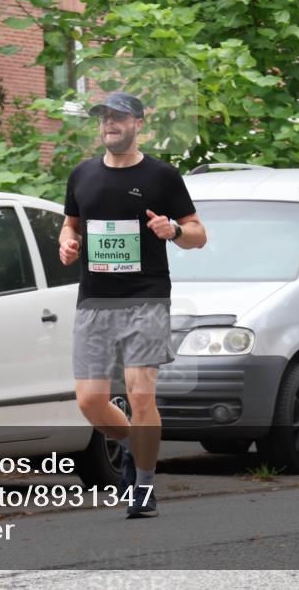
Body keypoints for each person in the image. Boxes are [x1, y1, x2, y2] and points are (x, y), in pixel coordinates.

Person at [58, 91, 206, 518]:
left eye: (119, 117)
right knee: (90, 401)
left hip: (146, 297)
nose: (110, 123)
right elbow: (70, 226)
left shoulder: (162, 176)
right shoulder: (82, 174)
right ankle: (130, 446)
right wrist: (67, 244)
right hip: (95, 301)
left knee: (140, 393)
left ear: (139, 124)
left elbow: (198, 234)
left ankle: (143, 486)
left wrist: (174, 230)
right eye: (105, 117)